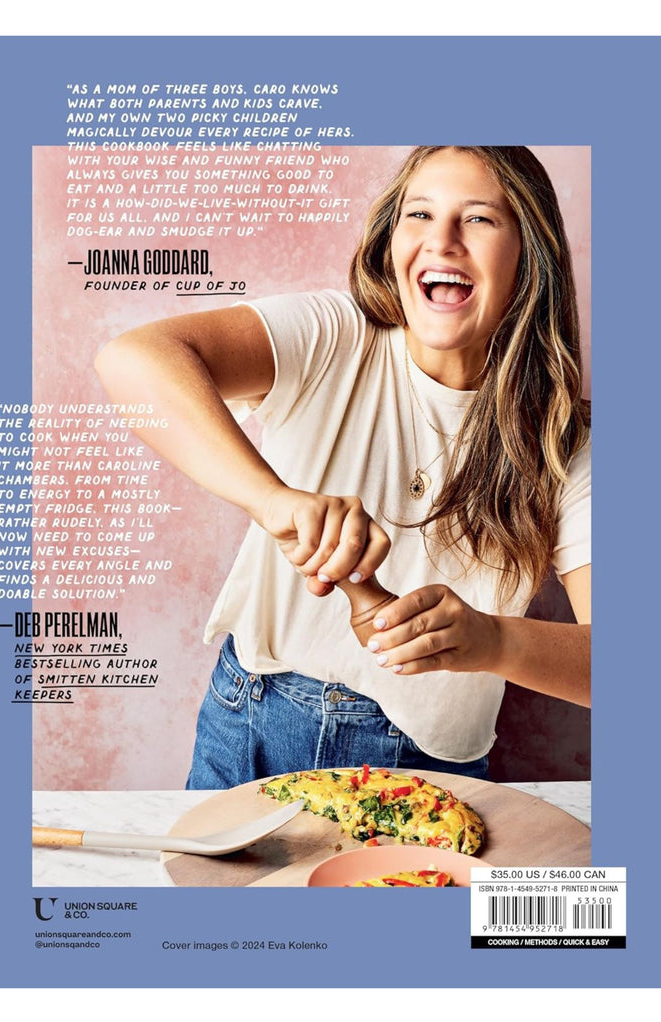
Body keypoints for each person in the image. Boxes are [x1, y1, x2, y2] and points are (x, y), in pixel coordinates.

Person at [95, 146, 591, 788]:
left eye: (478, 219)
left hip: (427, 771)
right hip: (248, 723)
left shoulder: (563, 439)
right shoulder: (336, 335)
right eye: (419, 214)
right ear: (391, 241)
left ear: (530, 257)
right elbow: (133, 358)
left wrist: (492, 640)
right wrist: (272, 500)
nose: (442, 240)